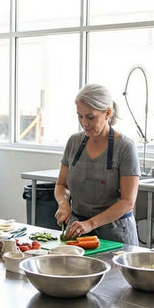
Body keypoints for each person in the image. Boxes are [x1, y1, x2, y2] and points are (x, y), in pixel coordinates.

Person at [54, 84, 140, 245]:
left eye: (90, 117)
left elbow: (128, 202)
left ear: (107, 113)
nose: (84, 123)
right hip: (78, 232)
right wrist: (63, 204)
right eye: (80, 116)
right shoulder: (74, 142)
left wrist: (90, 224)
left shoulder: (125, 147)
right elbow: (61, 185)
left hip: (115, 235)